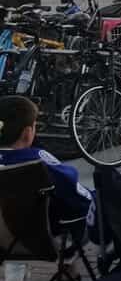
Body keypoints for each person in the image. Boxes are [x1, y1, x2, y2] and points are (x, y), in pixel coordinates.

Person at [0, 95, 92, 231]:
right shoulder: (37, 160)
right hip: (35, 235)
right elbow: (75, 191)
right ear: (27, 133)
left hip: (7, 239)